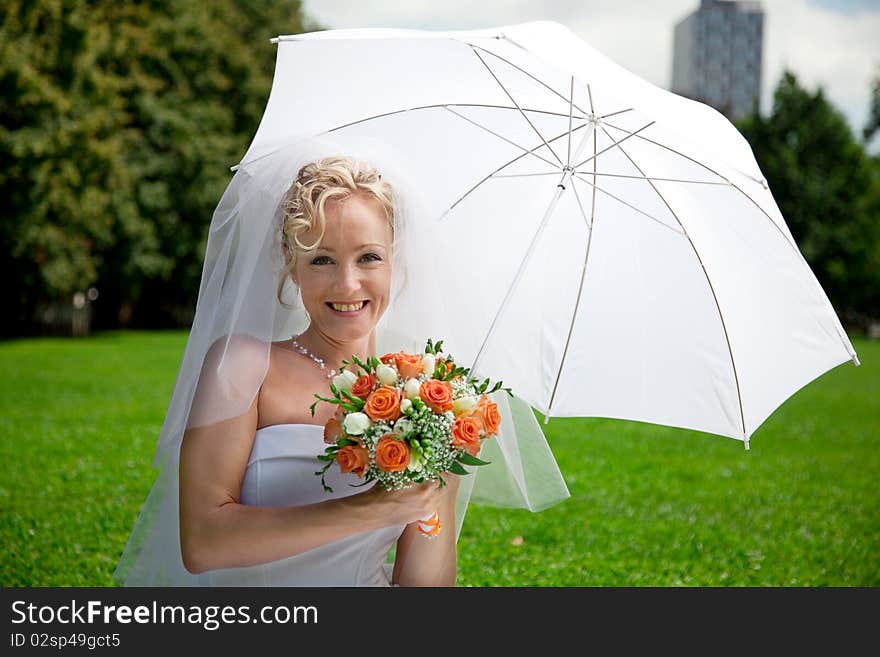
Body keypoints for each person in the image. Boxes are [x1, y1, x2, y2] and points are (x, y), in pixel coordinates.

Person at [113, 134, 570, 587]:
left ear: (396, 263)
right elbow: (203, 543)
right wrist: (371, 508)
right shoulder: (243, 367)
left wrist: (439, 481)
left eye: (369, 257)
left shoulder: (422, 402)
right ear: (292, 267)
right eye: (322, 261)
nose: (348, 285)